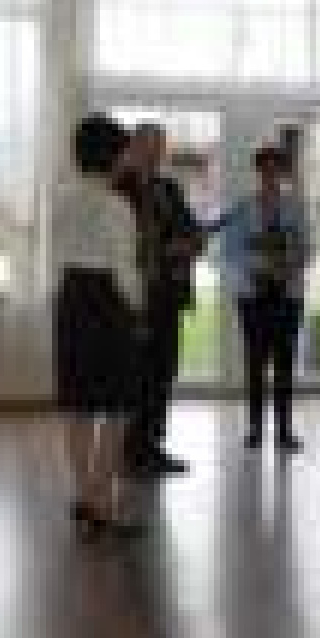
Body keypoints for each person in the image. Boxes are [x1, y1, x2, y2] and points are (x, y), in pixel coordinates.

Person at [51, 114, 144, 538]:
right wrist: (138, 309)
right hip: (106, 303)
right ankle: (101, 502)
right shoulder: (117, 206)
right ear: (110, 155)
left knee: (79, 404)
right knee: (119, 407)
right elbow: (124, 270)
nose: (127, 158)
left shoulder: (60, 198)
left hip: (71, 298)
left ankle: (84, 495)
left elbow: (57, 255)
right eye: (123, 151)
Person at [115, 123, 203, 477]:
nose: (155, 153)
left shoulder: (170, 188)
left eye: (160, 146)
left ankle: (151, 447)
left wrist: (194, 241)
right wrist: (166, 248)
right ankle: (128, 451)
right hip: (135, 297)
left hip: (169, 296)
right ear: (133, 148)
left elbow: (190, 228)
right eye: (148, 145)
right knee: (135, 376)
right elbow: (122, 243)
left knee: (162, 373)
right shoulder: (118, 187)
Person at [220, 143, 313, 453]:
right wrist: (261, 263)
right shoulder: (243, 208)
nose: (270, 175)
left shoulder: (297, 208)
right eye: (265, 169)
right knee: (255, 363)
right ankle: (255, 430)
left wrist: (289, 263)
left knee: (285, 364)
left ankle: (285, 431)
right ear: (258, 171)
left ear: (282, 173)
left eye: (276, 169)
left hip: (287, 294)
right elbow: (230, 251)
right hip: (253, 294)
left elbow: (307, 249)